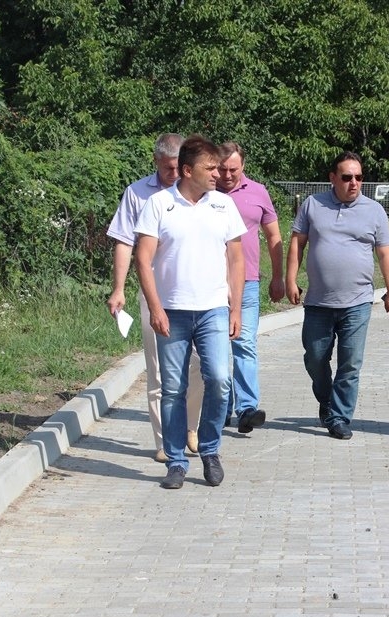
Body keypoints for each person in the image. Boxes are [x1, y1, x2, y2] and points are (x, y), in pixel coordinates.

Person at [134, 134, 246, 489]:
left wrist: (235, 308)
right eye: (209, 168)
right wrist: (155, 308)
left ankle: (210, 449)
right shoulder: (158, 204)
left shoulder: (223, 205)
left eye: (218, 168)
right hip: (172, 311)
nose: (217, 174)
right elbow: (143, 259)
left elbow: (237, 259)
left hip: (213, 309)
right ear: (186, 170)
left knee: (220, 379)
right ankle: (176, 462)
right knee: (173, 388)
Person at [285, 151, 389, 440]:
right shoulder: (313, 204)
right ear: (333, 178)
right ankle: (327, 401)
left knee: (350, 363)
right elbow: (297, 243)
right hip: (318, 302)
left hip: (357, 302)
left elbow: (385, 254)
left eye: (359, 177)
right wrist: (290, 279)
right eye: (347, 177)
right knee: (315, 358)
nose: (354, 183)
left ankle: (338, 417)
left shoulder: (374, 210)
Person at [106, 133, 203, 461]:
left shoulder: (201, 193)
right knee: (160, 370)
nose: (173, 175)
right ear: (156, 163)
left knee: (200, 365)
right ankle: (164, 442)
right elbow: (124, 241)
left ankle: (190, 426)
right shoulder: (137, 194)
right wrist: (119, 288)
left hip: (195, 292)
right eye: (166, 169)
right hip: (154, 294)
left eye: (178, 168)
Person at [216, 141, 285, 433]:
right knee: (217, 349)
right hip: (211, 284)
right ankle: (219, 408)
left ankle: (246, 409)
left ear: (243, 166)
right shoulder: (203, 191)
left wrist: (278, 276)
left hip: (248, 283)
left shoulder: (258, 192)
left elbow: (273, 236)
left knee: (244, 344)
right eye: (222, 169)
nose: (227, 175)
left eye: (233, 169)